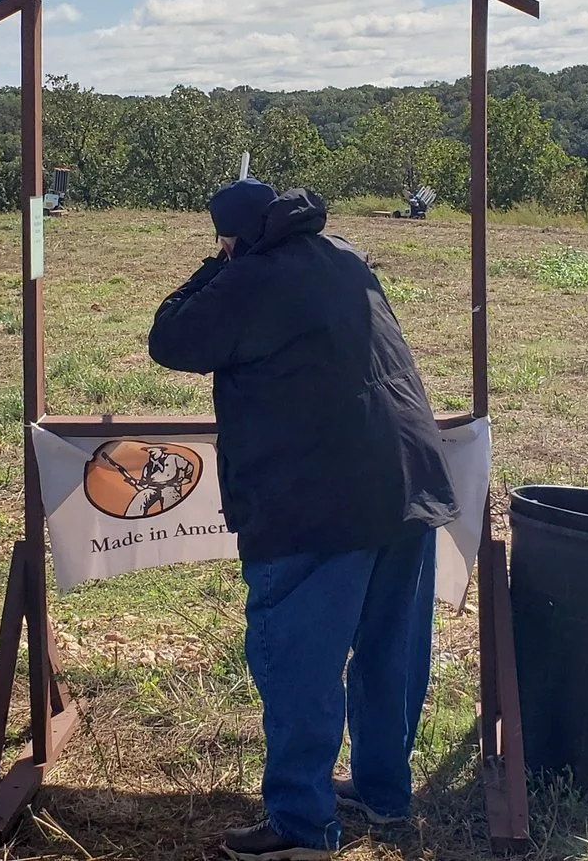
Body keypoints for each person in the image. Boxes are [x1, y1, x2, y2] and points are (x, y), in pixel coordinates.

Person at [148, 178, 458, 861]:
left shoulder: (250, 277)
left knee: (299, 659)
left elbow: (169, 336)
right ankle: (383, 791)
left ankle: (301, 823)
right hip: (407, 477)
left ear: (235, 237)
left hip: (318, 495)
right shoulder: (344, 252)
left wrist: (216, 264)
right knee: (389, 650)